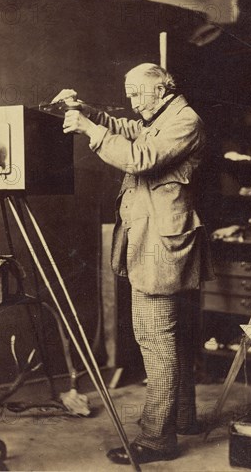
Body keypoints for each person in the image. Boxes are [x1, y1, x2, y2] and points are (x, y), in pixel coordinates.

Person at [54, 63, 213, 465]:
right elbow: (124, 128)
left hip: (161, 248)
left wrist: (89, 130)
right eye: (128, 93)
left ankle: (158, 440)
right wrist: (83, 109)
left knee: (156, 341)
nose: (131, 101)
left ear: (162, 90)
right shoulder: (160, 114)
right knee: (170, 340)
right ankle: (184, 418)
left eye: (137, 93)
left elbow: (139, 157)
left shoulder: (185, 121)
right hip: (155, 242)